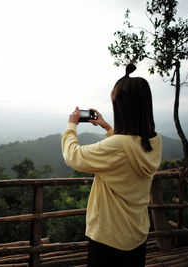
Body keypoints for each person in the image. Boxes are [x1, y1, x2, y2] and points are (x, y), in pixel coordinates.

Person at [61, 63, 162, 267]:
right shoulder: (154, 141)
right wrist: (108, 127)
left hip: (109, 238)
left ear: (122, 107)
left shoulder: (117, 146)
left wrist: (71, 125)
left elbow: (73, 156)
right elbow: (128, 146)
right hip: (137, 234)